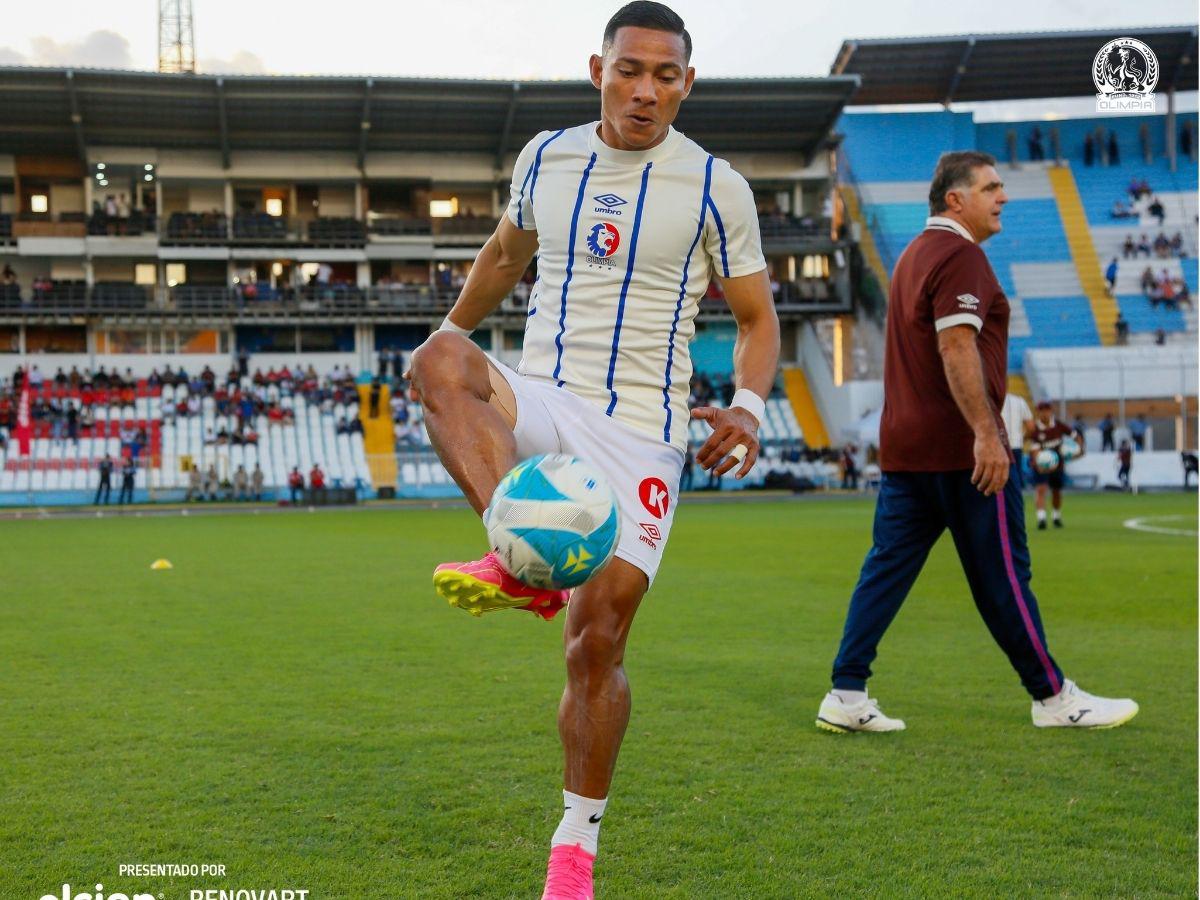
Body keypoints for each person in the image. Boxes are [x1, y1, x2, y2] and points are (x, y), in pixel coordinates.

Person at [406, 4, 779, 893]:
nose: (645, 90)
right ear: (597, 68)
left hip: (642, 437)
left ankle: (576, 843)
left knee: (595, 645)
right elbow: (505, 253)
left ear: (687, 84)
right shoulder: (547, 155)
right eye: (629, 70)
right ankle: (515, 552)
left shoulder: (716, 185)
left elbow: (758, 316)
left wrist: (751, 408)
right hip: (541, 400)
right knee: (435, 359)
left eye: (665, 75)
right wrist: (451, 340)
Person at [816, 150, 1136, 738]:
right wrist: (988, 435)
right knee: (1004, 577)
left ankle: (846, 689)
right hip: (962, 452)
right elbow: (957, 348)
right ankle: (1053, 697)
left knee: (886, 570)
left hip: (907, 449)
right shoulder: (960, 255)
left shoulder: (914, 256)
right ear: (954, 199)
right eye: (990, 188)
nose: (1003, 197)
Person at [1029, 400, 1083, 530]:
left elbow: (1076, 436)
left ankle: (1056, 516)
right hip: (1041, 465)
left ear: (1051, 411)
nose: (1045, 413)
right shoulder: (1035, 430)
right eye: (1042, 411)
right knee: (1041, 489)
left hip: (1058, 465)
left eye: (1047, 410)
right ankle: (1041, 518)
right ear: (1038, 412)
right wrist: (1040, 464)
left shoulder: (1058, 425)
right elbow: (1035, 451)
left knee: (1056, 491)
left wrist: (1079, 449)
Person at [1000, 392, 1033, 487]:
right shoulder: (1020, 401)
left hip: (998, 447)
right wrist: (1021, 439)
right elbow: (1031, 427)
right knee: (1015, 484)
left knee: (998, 484)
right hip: (1016, 447)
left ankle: (1000, 502)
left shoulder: (990, 399)